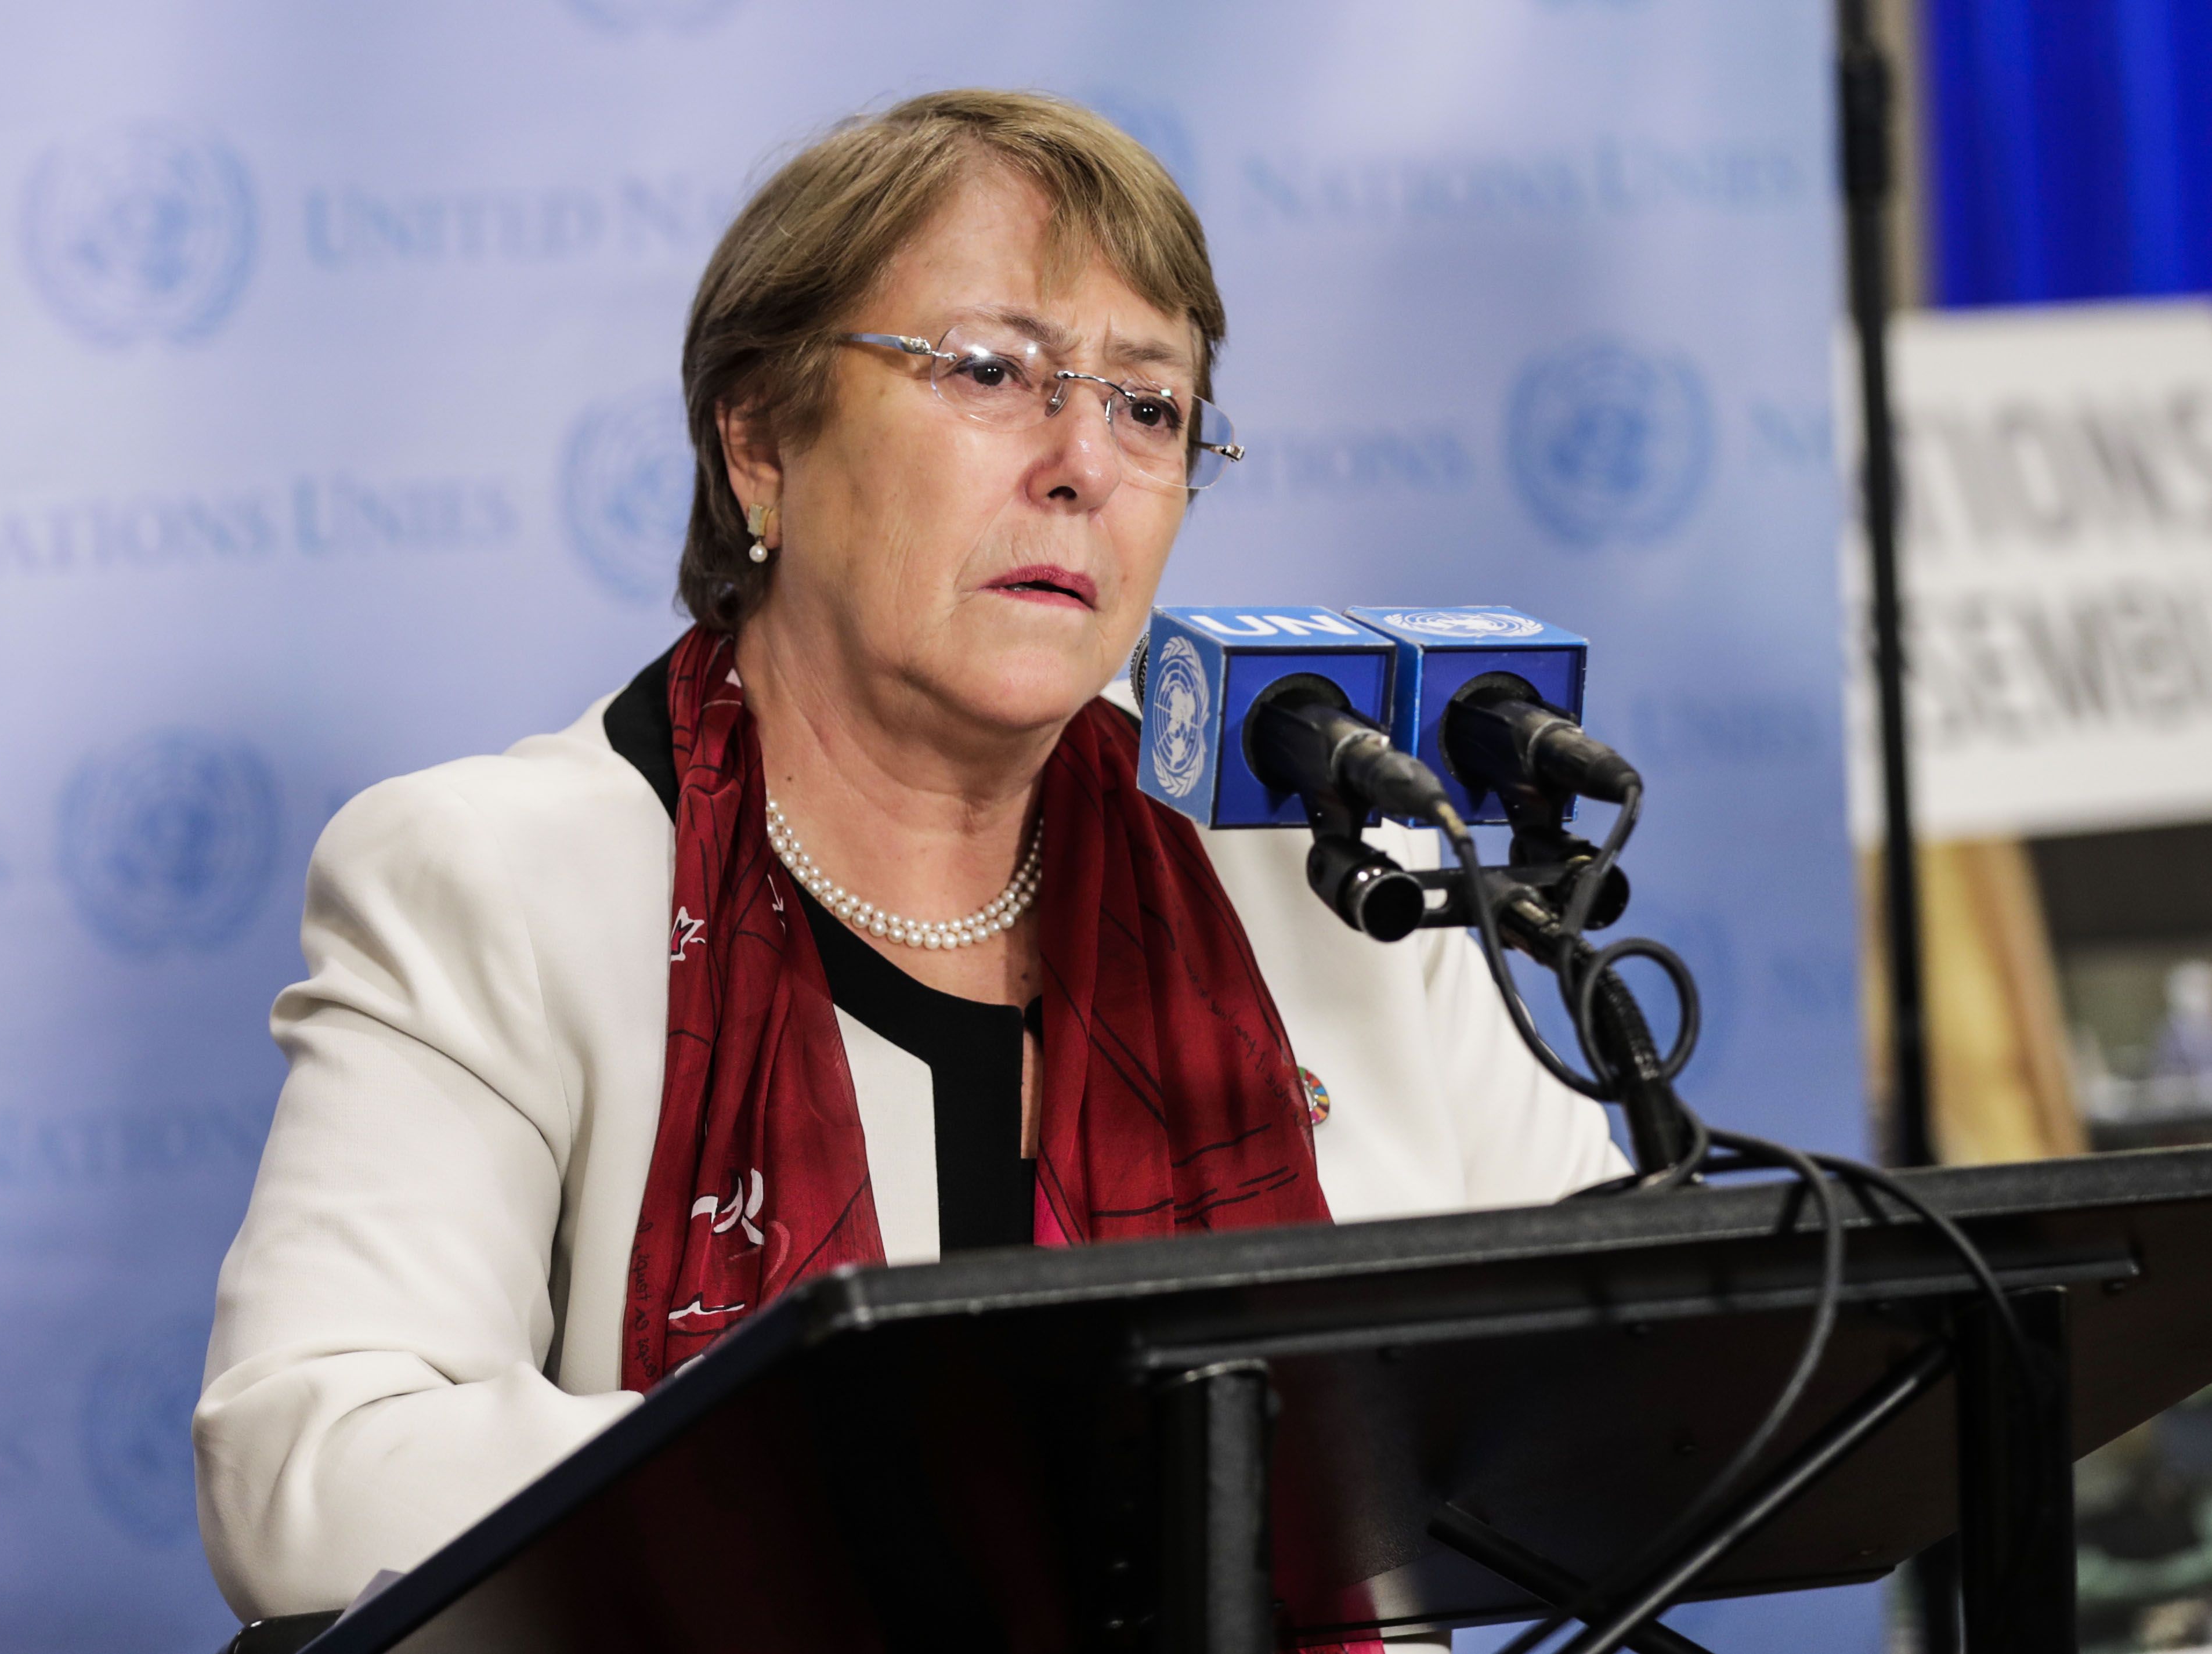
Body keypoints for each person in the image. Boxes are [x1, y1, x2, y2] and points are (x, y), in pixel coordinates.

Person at [193, 88, 1626, 1621]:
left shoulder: (1335, 877)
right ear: (760, 441)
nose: (1083, 460)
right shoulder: (493, 881)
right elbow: (312, 1466)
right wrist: (895, 1481)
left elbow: (1619, 1407)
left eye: (1148, 405)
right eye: (992, 371)